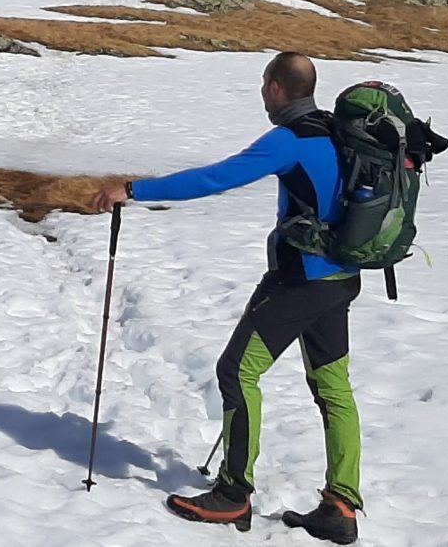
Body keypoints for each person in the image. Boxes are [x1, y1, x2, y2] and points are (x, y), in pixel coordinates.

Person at [89, 52, 363, 543]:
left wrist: (132, 188)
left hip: (300, 281)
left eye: (264, 84)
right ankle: (341, 505)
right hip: (341, 277)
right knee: (333, 387)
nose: (263, 93)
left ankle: (234, 494)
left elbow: (218, 178)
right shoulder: (341, 133)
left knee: (237, 371)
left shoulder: (290, 139)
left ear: (277, 87)